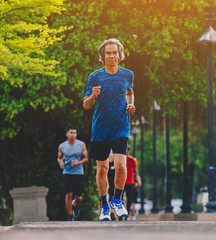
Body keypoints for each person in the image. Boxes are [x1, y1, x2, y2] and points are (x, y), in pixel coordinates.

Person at [83, 38, 136, 221]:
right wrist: (92, 95)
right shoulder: (95, 76)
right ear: (103, 56)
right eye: (108, 53)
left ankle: (117, 200)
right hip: (100, 129)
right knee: (102, 169)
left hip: (121, 126)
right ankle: (104, 206)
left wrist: (131, 105)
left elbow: (130, 92)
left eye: (114, 52)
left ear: (119, 55)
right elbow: (85, 105)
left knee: (121, 166)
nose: (112, 56)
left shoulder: (128, 74)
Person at [57, 128, 88, 221]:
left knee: (79, 197)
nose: (73, 134)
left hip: (78, 172)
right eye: (71, 132)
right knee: (68, 195)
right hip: (67, 172)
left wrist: (78, 163)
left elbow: (86, 158)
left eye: (75, 133)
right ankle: (70, 216)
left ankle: (75, 205)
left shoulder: (81, 144)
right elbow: (59, 157)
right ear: (67, 134)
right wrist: (60, 163)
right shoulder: (62, 146)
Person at [123, 145, 140, 220]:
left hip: (130, 181)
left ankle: (127, 213)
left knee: (129, 198)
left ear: (129, 151)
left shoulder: (132, 159)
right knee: (120, 197)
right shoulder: (120, 159)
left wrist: (136, 181)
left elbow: (136, 171)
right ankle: (121, 213)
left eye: (127, 150)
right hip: (121, 182)